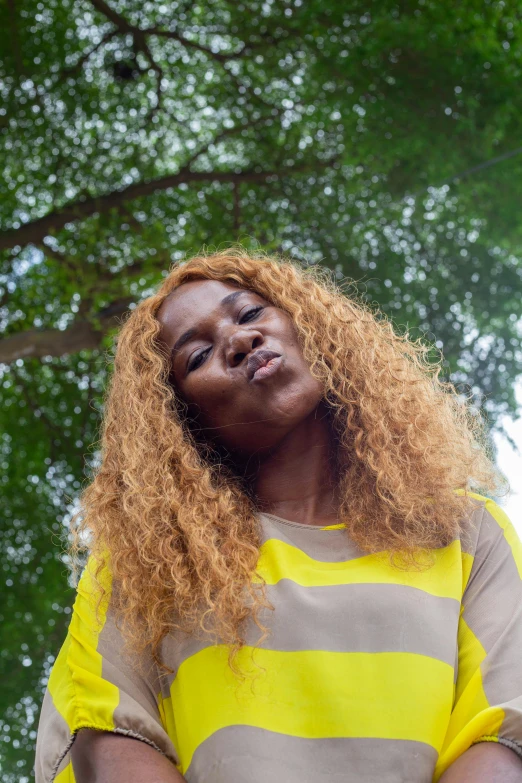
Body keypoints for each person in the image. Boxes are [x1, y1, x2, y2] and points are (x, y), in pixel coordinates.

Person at [35, 248, 522, 783]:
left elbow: (505, 728)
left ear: (306, 324)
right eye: (196, 357)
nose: (240, 341)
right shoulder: (145, 566)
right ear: (180, 421)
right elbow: (106, 736)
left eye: (249, 315)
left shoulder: (464, 532)